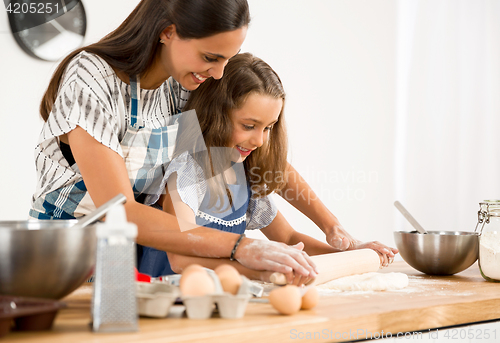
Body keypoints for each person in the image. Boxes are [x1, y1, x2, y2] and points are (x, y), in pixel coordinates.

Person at [29, 0, 395, 284]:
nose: (218, 73)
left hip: (125, 251)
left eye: (227, 60)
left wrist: (334, 229)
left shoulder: (184, 84)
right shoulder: (91, 78)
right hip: (65, 253)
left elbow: (267, 160)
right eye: (211, 57)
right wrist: (243, 247)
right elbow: (118, 210)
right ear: (167, 32)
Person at [137, 53, 398, 283]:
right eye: (249, 126)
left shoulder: (244, 174)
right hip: (162, 303)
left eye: (268, 127)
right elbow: (180, 260)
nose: (259, 140)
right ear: (216, 114)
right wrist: (260, 271)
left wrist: (350, 254)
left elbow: (286, 238)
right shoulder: (186, 172)